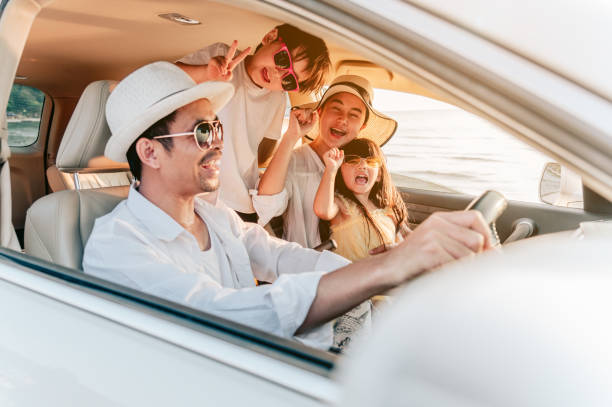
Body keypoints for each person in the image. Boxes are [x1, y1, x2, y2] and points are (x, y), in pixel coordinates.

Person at [83, 61, 492, 351]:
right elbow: (218, 315)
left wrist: (389, 266)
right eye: (204, 131)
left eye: (218, 126)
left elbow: (285, 259)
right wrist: (387, 269)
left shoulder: (215, 217)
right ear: (151, 153)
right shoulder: (118, 245)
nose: (220, 142)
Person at [176, 24, 331, 222]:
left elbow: (263, 152)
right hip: (195, 195)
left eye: (289, 80)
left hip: (239, 206)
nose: (278, 74)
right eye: (282, 60)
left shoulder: (277, 99)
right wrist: (206, 73)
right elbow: (167, 80)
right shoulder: (223, 56)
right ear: (270, 37)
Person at [254, 74, 397, 248]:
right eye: (336, 109)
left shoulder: (363, 167)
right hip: (311, 266)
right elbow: (266, 207)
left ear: (362, 126)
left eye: (353, 115)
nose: (343, 120)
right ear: (320, 112)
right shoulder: (295, 160)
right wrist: (291, 137)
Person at [313, 138, 409, 349]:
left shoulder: (389, 211)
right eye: (353, 160)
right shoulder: (341, 206)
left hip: (385, 293)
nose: (362, 165)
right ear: (341, 170)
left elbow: (403, 250)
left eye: (370, 161)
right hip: (354, 295)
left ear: (380, 174)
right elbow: (322, 209)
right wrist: (330, 169)